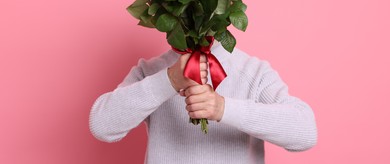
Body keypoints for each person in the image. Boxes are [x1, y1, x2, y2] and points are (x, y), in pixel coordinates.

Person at [89, 41, 317, 164]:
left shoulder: (253, 71)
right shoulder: (151, 71)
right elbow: (102, 126)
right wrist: (168, 80)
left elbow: (305, 132)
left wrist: (223, 108)